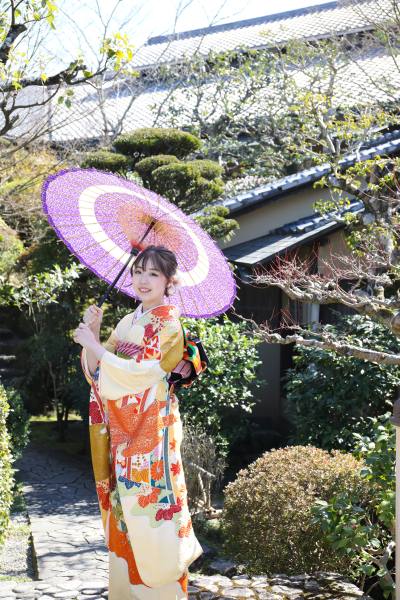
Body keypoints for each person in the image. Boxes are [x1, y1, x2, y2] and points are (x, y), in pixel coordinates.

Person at [73, 245, 203, 600]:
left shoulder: (169, 324)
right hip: (122, 431)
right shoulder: (129, 321)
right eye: (138, 271)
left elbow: (146, 376)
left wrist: (97, 349)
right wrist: (96, 335)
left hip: (151, 433)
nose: (142, 280)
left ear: (169, 281)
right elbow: (99, 373)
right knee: (124, 510)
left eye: (153, 274)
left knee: (153, 512)